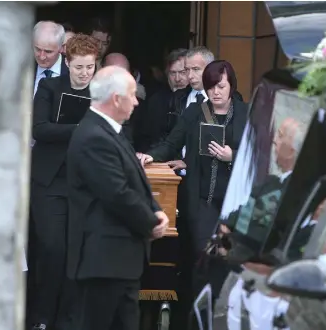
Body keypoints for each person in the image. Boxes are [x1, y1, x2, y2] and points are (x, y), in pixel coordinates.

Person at [66, 65, 169, 330]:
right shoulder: (93, 136)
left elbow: (136, 180)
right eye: (132, 95)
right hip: (103, 261)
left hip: (120, 261)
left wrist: (155, 209)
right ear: (116, 99)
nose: (136, 101)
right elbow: (117, 193)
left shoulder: (112, 131)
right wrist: (151, 222)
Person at [137, 60, 249, 304]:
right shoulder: (194, 112)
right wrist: (151, 155)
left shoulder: (245, 113)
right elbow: (171, 143)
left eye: (220, 86)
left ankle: (223, 308)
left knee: (230, 257)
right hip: (201, 198)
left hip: (234, 199)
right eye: (210, 87)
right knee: (203, 254)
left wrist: (232, 156)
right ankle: (200, 309)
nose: (215, 92)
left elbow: (256, 155)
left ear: (231, 86)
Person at [28, 33, 100, 330]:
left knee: (77, 253)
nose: (85, 73)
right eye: (79, 66)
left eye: (90, 67)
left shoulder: (101, 92)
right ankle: (41, 318)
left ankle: (69, 321)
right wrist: (81, 128)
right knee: (52, 249)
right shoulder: (49, 86)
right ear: (67, 62)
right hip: (49, 182)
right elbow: (40, 128)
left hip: (84, 184)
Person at [32, 21, 69, 95]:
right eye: (38, 49)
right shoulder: (22, 68)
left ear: (61, 48)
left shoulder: (73, 71)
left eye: (48, 52)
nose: (42, 57)